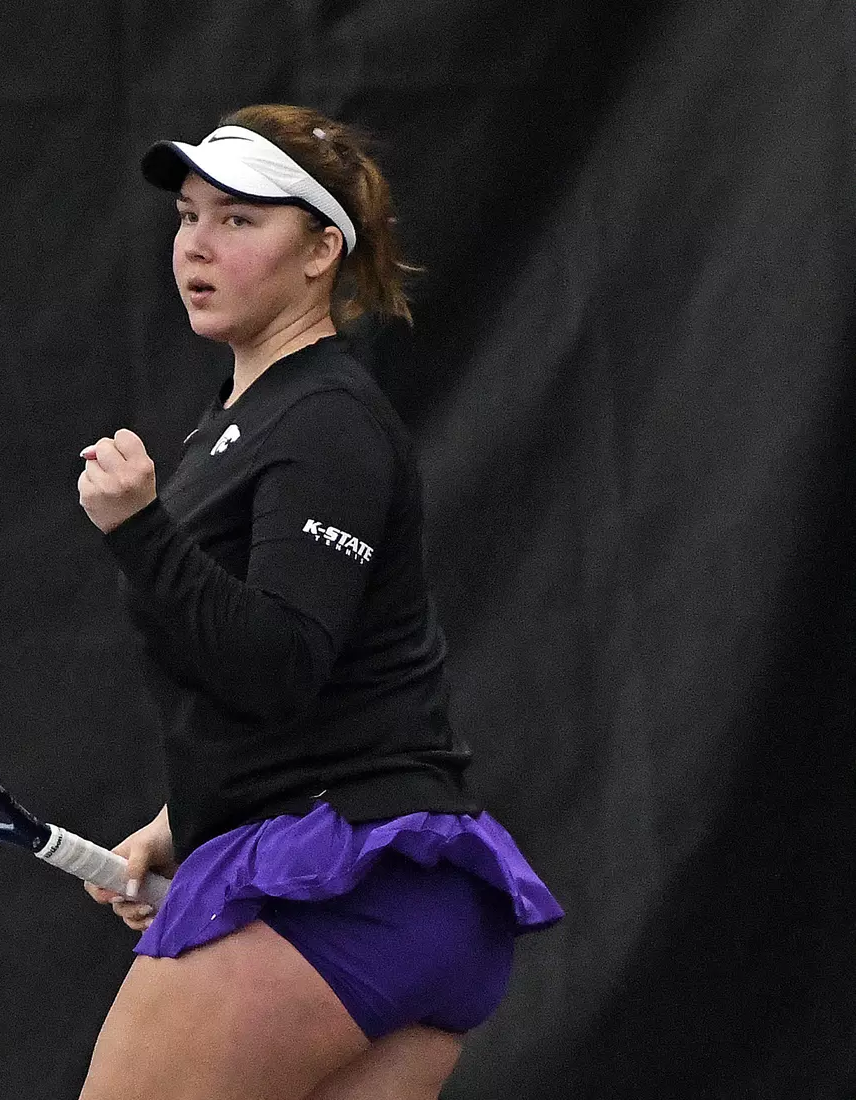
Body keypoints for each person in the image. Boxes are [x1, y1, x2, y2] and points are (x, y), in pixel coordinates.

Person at [74, 104, 564, 1100]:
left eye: (238, 219)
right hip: (415, 905)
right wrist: (183, 820)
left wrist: (138, 530)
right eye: (188, 216)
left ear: (319, 250)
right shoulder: (242, 424)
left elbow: (278, 665)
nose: (196, 245)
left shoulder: (324, 420)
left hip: (351, 893)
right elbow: (318, 676)